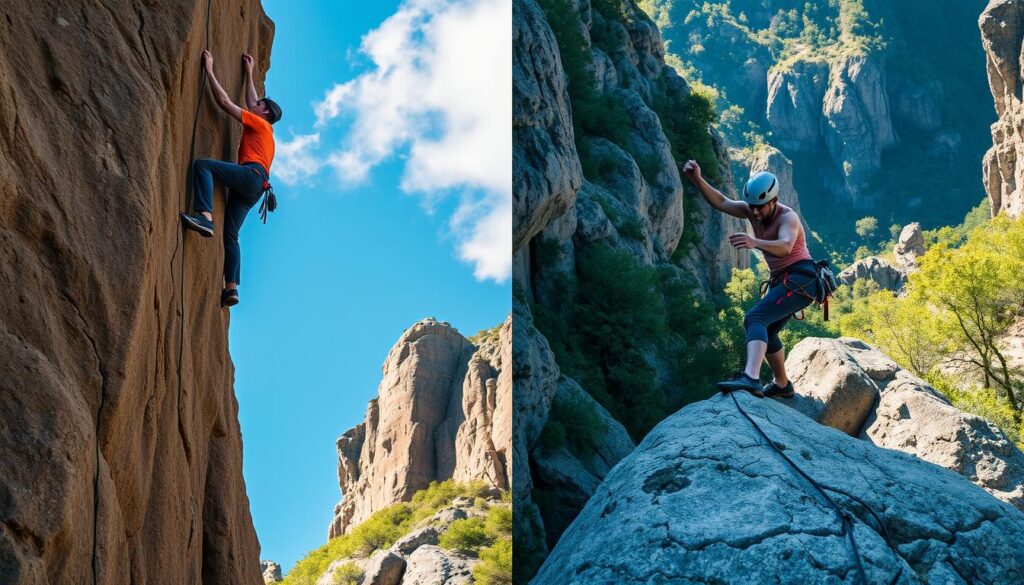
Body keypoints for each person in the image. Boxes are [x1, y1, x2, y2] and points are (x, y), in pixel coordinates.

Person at [681, 160, 818, 398]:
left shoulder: (788, 217)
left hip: (802, 278)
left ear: (773, 201)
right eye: (752, 206)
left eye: (760, 207)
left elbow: (786, 247)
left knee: (755, 317)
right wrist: (698, 180)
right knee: (767, 330)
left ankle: (751, 378)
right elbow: (722, 202)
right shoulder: (754, 210)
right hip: (786, 281)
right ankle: (783, 385)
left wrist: (755, 243)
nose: (754, 212)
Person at [179, 50, 282, 308]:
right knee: (232, 237)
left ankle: (204, 217)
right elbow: (253, 100)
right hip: (256, 187)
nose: (253, 105)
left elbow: (225, 103)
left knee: (203, 165)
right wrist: (248, 73)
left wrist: (210, 71)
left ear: (265, 113)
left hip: (250, 175)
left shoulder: (260, 125)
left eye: (259, 106)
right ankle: (231, 289)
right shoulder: (265, 130)